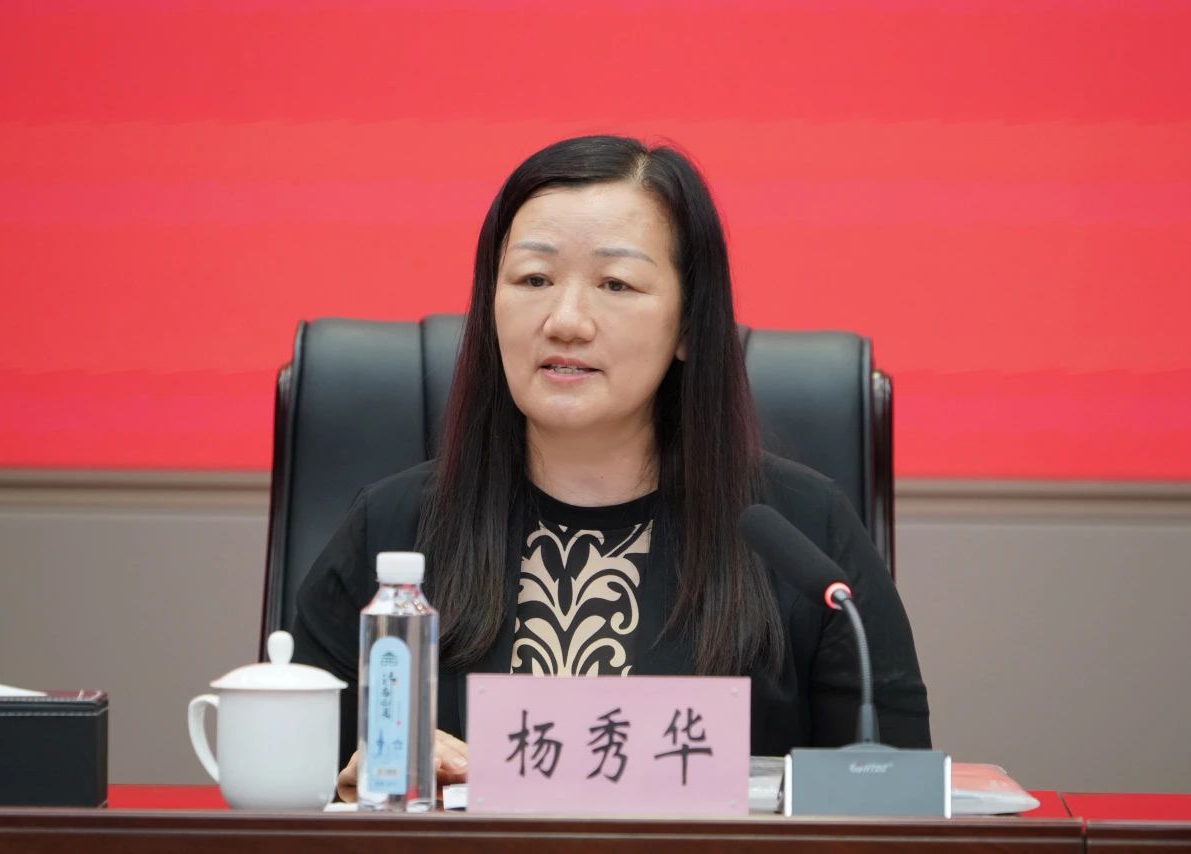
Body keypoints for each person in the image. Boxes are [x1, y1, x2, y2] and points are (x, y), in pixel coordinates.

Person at [292, 135, 930, 803]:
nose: (566, 321)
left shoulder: (803, 536)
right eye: (534, 280)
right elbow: (290, 806)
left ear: (688, 326)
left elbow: (896, 806)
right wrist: (348, 787)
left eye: (616, 284)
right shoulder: (392, 530)